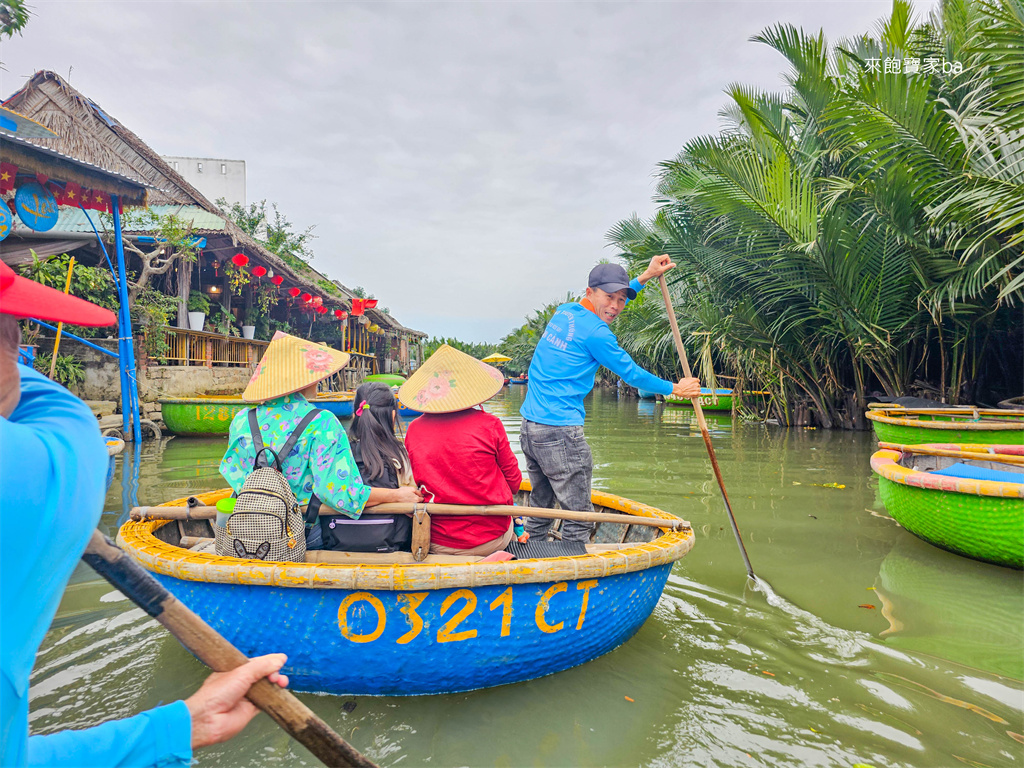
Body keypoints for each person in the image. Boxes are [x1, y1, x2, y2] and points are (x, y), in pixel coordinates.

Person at [0, 260, 288, 768]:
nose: (23, 348)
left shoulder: (245, 421)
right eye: (16, 337)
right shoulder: (33, 470)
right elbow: (347, 499)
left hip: (238, 521)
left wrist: (179, 725)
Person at [519, 255, 701, 543]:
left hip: (531, 429)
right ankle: (570, 572)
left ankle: (527, 555)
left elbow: (609, 303)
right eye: (609, 297)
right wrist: (675, 388)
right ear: (589, 292)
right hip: (559, 431)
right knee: (580, 515)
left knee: (541, 505)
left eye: (621, 299)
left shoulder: (564, 313)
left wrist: (645, 277)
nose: (615, 306)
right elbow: (631, 373)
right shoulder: (596, 334)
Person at [220, 333, 421, 550]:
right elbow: (338, 493)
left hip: (247, 528)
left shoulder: (241, 420)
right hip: (299, 534)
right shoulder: (322, 422)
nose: (319, 378)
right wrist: (396, 495)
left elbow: (236, 477)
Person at [400, 344, 522, 556]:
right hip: (490, 538)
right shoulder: (490, 424)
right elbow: (514, 483)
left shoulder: (414, 429)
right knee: (515, 520)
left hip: (435, 539)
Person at [321, 381, 416, 552]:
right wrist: (395, 496)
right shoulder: (400, 455)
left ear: (355, 414)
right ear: (393, 416)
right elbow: (411, 497)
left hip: (337, 542)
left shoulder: (341, 452)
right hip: (392, 544)